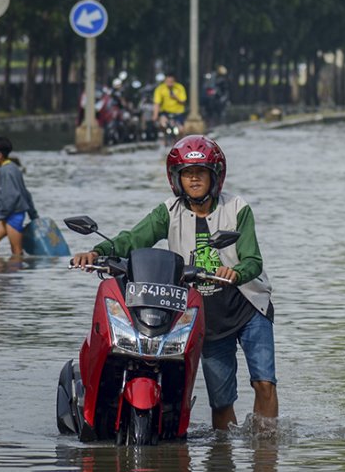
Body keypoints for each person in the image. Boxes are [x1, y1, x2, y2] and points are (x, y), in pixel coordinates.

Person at [72, 135, 278, 431]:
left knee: (264, 383)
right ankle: (223, 458)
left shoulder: (238, 208)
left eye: (201, 173)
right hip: (207, 317)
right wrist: (98, 252)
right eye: (187, 174)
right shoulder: (168, 211)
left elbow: (253, 260)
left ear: (214, 176)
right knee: (220, 401)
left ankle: (266, 453)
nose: (194, 179)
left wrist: (236, 272)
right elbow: (133, 239)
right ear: (177, 179)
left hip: (248, 308)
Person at [0, 136, 39, 256]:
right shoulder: (12, 168)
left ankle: (13, 274)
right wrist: (33, 214)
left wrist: (2, 213)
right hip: (7, 215)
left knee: (16, 251)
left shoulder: (7, 171)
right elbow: (25, 192)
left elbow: (13, 196)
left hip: (13, 215)